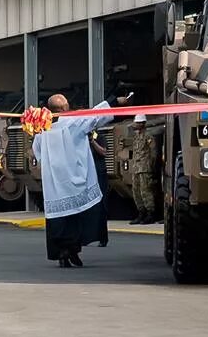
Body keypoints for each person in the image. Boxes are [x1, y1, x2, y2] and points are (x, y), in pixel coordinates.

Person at [33, 92, 130, 267]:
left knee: (59, 219)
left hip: (55, 183)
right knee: (75, 217)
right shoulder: (73, 123)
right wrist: (114, 101)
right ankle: (72, 251)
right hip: (72, 180)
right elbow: (95, 115)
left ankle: (63, 252)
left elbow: (37, 153)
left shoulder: (41, 131)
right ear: (64, 108)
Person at [130, 114, 158, 225]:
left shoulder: (148, 136)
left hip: (145, 168)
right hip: (136, 168)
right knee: (136, 191)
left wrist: (151, 166)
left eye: (137, 122)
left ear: (142, 123)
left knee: (146, 191)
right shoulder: (136, 136)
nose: (135, 124)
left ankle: (150, 214)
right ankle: (141, 213)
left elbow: (153, 153)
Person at [90, 130, 110, 247]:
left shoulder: (99, 137)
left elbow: (104, 152)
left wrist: (93, 142)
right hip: (88, 175)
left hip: (99, 174)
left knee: (102, 206)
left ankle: (103, 238)